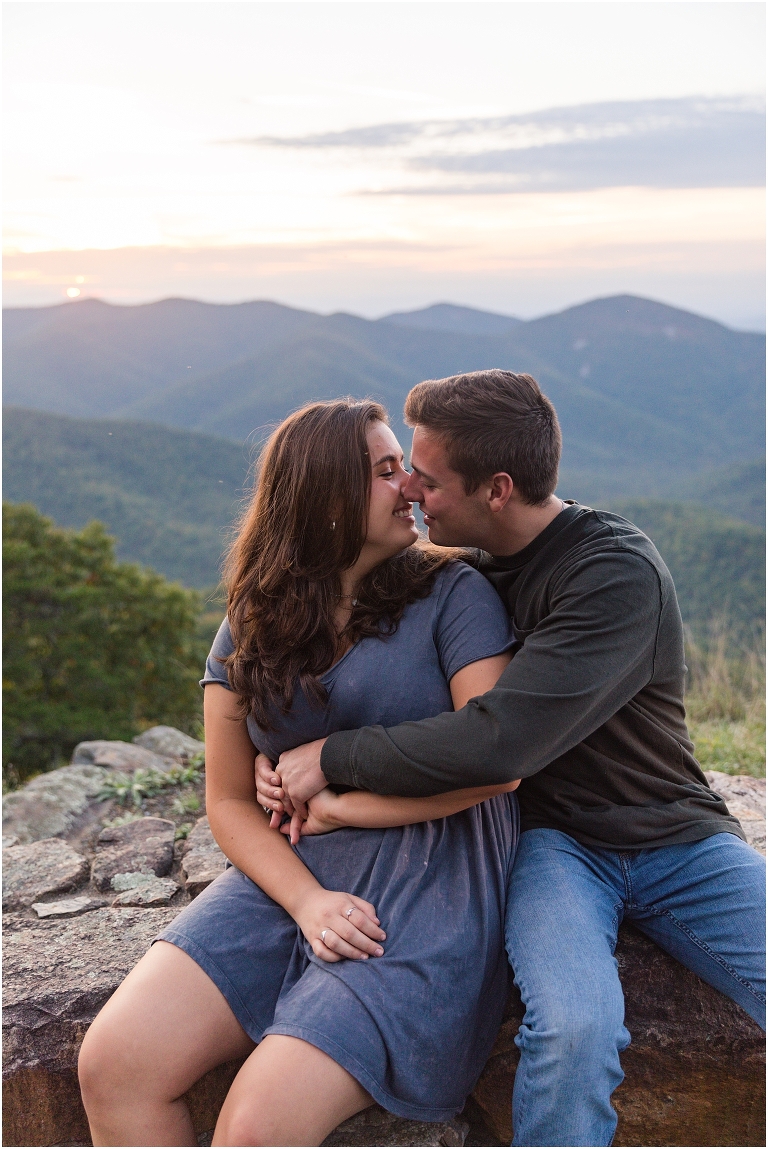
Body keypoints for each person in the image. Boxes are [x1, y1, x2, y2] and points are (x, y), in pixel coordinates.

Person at [260, 370, 767, 1148]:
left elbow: (501, 739)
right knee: (572, 1028)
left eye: (427, 482)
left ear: (497, 489)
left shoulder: (610, 570)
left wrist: (332, 757)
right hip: (553, 847)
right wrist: (275, 760)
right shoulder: (453, 571)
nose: (413, 498)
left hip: (678, 837)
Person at [78, 398, 520, 1148]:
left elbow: (498, 765)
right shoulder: (254, 618)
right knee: (114, 1060)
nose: (410, 484)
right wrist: (308, 899)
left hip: (428, 884)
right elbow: (227, 799)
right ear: (327, 497)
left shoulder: (454, 594)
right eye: (387, 471)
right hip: (290, 878)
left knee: (256, 1125)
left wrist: (342, 801)